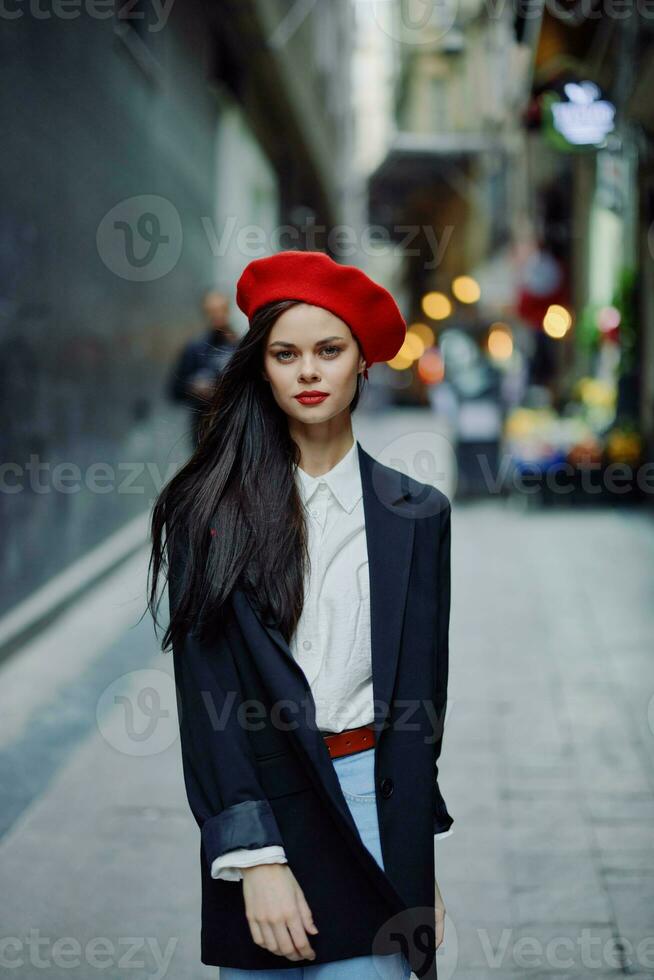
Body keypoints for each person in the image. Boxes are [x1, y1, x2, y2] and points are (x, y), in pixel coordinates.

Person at [148, 251, 454, 980]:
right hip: (266, 809)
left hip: (374, 807)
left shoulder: (419, 515)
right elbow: (208, 701)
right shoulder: (208, 513)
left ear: (362, 365)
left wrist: (417, 855)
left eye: (329, 350)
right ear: (262, 368)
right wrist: (253, 856)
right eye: (285, 354)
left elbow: (421, 700)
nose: (308, 372)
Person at [168, 289, 238, 448]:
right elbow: (174, 390)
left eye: (221, 310)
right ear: (205, 313)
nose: (217, 316)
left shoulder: (240, 347)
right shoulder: (194, 349)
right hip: (204, 432)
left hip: (235, 429)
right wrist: (194, 387)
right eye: (212, 311)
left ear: (228, 310)